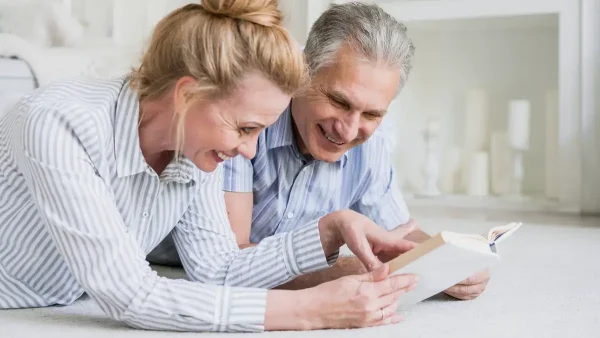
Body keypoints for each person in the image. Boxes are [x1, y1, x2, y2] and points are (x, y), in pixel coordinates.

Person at [0, 0, 419, 332]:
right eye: (246, 128)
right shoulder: (58, 122)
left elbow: (218, 269)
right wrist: (310, 310)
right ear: (187, 95)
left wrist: (330, 228)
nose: (252, 152)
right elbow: (129, 294)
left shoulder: (195, 145)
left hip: (63, 297)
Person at [222, 2, 491, 299]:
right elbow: (230, 264)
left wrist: (448, 260)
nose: (349, 131)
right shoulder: (249, 115)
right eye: (339, 102)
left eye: (371, 115)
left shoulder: (371, 145)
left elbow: (399, 233)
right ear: (302, 71)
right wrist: (348, 271)